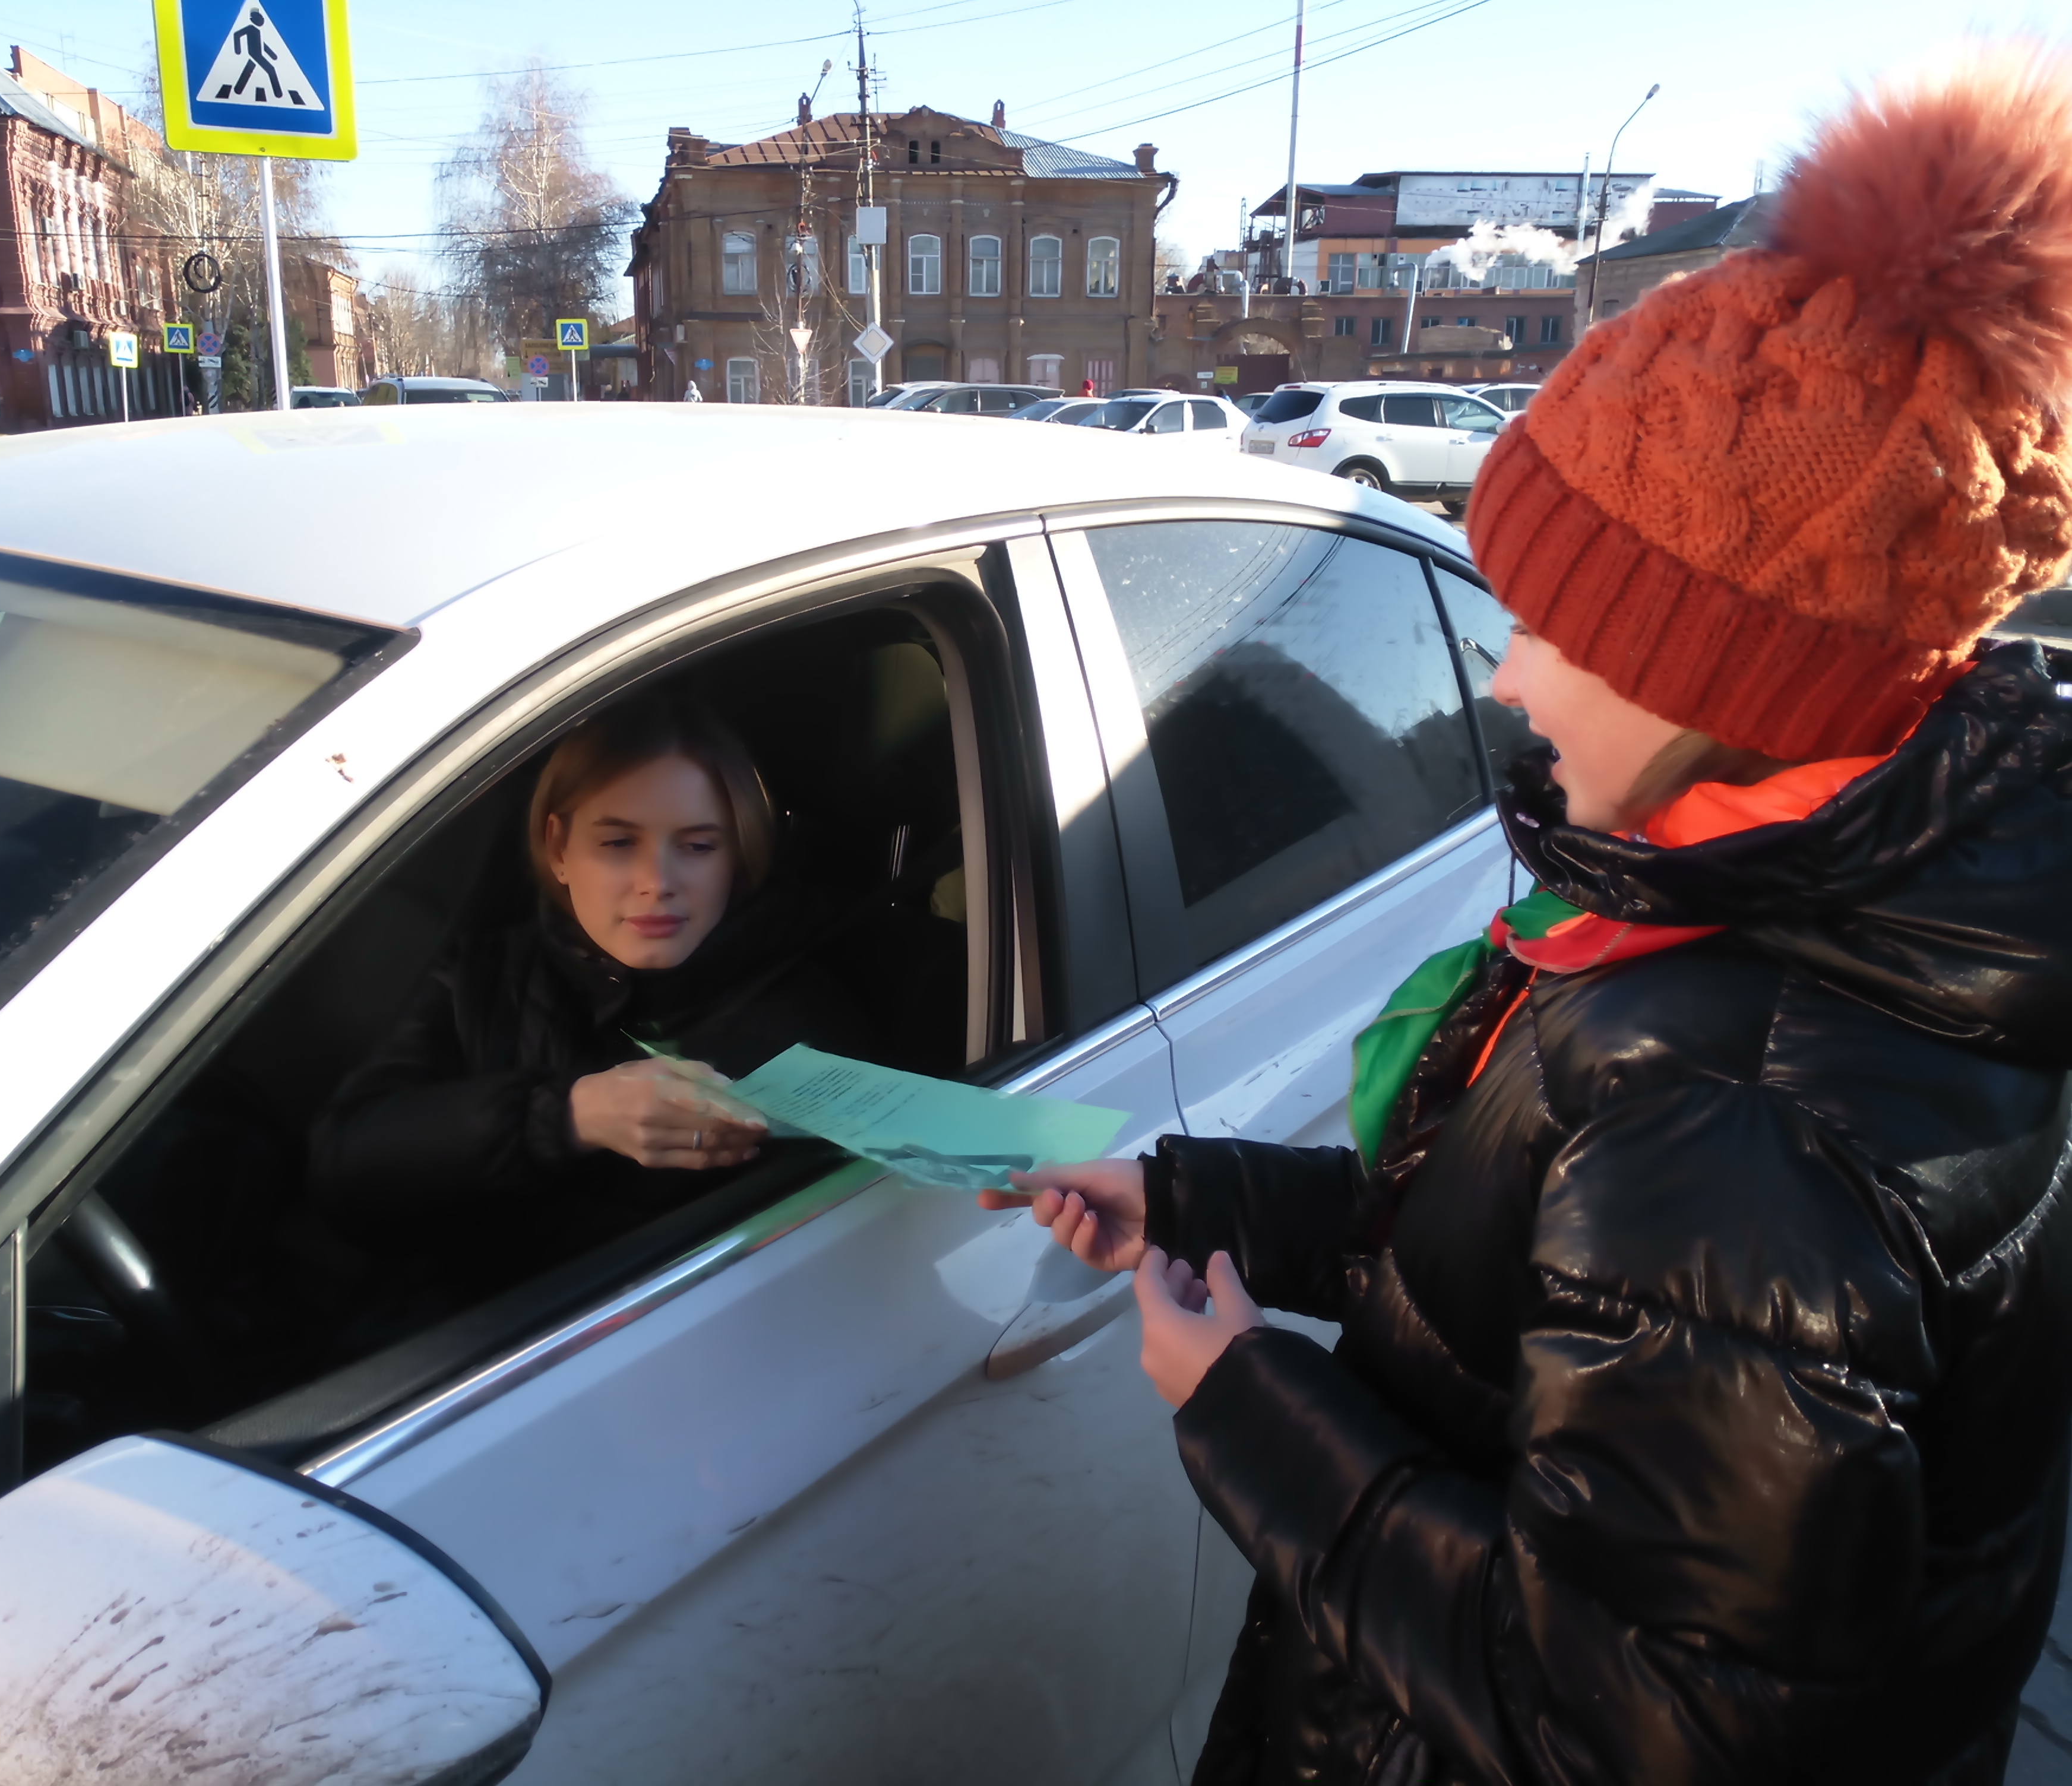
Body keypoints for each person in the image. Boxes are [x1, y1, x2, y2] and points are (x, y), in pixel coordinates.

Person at [998, 57, 2072, 1786]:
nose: (1500, 670)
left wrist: (1244, 1411)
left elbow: (1618, 1734)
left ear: (1720, 673)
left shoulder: (1737, 1116)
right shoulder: (1744, 932)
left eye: (1556, 625)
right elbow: (1521, 1273)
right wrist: (1200, 1203)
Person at [309, 694, 871, 1255]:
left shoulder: (808, 1027)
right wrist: (566, 1116)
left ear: (736, 857)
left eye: (698, 846)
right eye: (619, 843)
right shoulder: (486, 971)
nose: (656, 881)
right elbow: (346, 1167)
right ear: (559, 847)